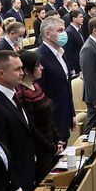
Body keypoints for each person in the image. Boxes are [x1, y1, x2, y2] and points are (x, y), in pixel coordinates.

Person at [0, 50, 41, 191]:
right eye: (18, 69)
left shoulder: (13, 93)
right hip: (15, 180)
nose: (23, 73)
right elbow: (0, 150)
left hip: (28, 169)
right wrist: (13, 187)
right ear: (1, 74)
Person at [16, 50, 61, 182]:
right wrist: (51, 147)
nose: (42, 68)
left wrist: (57, 138)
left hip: (50, 144)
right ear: (28, 71)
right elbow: (32, 127)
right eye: (38, 66)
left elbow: (48, 116)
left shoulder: (35, 85)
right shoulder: (23, 94)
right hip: (41, 150)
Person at [36, 16, 76, 143]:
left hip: (65, 115)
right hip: (52, 121)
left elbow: (66, 87)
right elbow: (40, 94)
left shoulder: (61, 53)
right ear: (48, 34)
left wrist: (72, 114)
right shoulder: (40, 56)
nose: (64, 33)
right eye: (60, 30)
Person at [64, 10, 85, 74]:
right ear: (74, 19)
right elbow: (68, 52)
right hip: (76, 66)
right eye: (80, 17)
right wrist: (72, 68)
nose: (83, 19)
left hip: (81, 62)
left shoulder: (79, 29)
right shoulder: (69, 32)